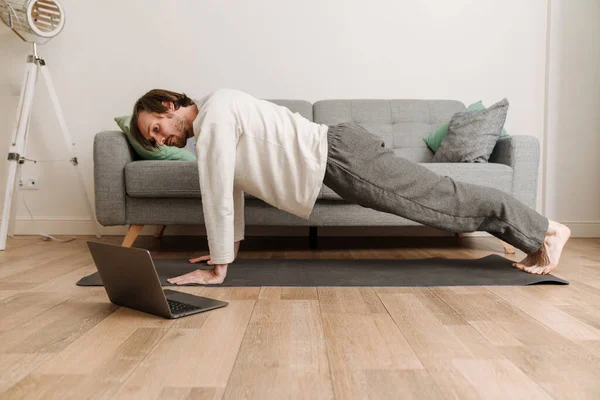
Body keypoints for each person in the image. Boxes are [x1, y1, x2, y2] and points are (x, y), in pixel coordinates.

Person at [129, 88, 571, 285]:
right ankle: (533, 235)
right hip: (341, 154)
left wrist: (219, 268)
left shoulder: (215, 117)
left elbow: (216, 192)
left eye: (156, 128)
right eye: (152, 139)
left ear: (169, 106)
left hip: (342, 156)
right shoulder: (216, 114)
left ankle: (548, 229)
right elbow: (230, 190)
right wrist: (229, 251)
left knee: (439, 203)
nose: (160, 140)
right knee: (439, 203)